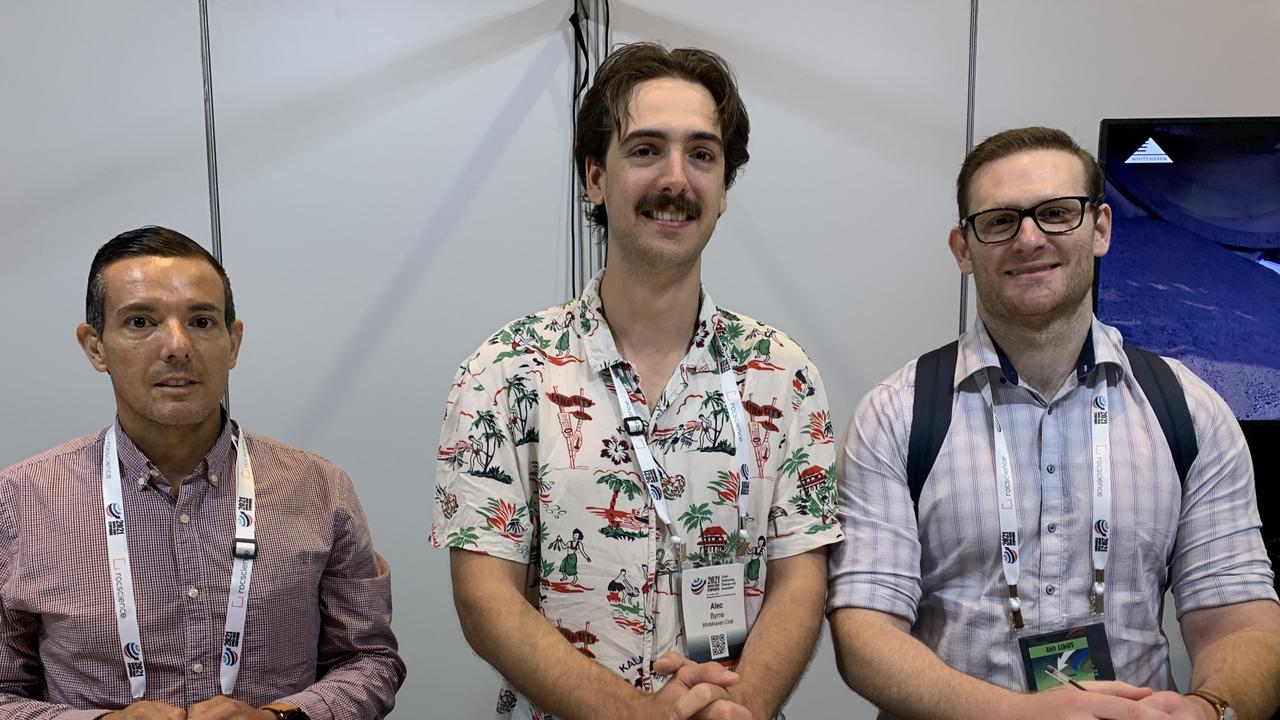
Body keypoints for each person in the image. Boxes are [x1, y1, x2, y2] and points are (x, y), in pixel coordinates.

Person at [432, 42, 842, 720]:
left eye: (702, 155)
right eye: (646, 150)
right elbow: (486, 597)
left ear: (723, 189)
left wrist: (742, 707)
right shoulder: (505, 371)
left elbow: (800, 577)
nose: (676, 179)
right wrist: (638, 716)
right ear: (595, 177)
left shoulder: (783, 374)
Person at [828, 127, 1280, 719]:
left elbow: (1240, 620)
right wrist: (1016, 716)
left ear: (1100, 229)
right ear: (962, 249)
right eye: (999, 221)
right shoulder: (895, 416)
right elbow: (864, 631)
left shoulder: (1191, 412)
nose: (1029, 238)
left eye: (1057, 213)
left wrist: (1210, 709)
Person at [0, 227, 405, 719]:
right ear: (95, 347)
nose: (177, 345)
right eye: (141, 321)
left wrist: (281, 718)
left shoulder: (320, 489)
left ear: (232, 343)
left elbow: (369, 659)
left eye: (201, 321)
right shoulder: (21, 499)